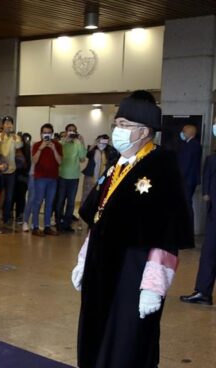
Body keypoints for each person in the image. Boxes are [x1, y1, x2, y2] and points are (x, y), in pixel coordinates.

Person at [72, 90, 194, 368]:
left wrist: (154, 286)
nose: (117, 130)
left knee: (127, 342)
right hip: (101, 267)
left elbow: (167, 232)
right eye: (117, 124)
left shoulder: (162, 165)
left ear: (145, 131)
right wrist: (83, 260)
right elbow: (98, 217)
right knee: (95, 337)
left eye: (125, 125)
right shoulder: (118, 164)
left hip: (134, 270)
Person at [180, 120, 216, 305]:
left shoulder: (197, 149)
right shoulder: (211, 158)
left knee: (209, 253)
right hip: (213, 215)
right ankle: (203, 292)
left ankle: (203, 291)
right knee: (209, 253)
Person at [30, 123, 62, 237]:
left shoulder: (57, 145)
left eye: (48, 132)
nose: (46, 134)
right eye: (44, 132)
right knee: (38, 202)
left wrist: (53, 149)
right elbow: (34, 161)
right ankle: (35, 227)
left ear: (52, 134)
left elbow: (60, 162)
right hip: (40, 178)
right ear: (41, 133)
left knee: (49, 203)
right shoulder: (37, 145)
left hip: (53, 178)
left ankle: (47, 226)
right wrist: (40, 148)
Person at [56, 124, 87, 232]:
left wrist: (82, 142)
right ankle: (58, 222)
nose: (71, 132)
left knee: (71, 202)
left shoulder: (77, 143)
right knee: (60, 201)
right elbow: (57, 153)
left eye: (73, 131)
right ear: (65, 132)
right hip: (62, 175)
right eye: (69, 130)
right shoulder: (61, 143)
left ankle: (67, 224)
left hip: (74, 177)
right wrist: (65, 140)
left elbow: (83, 158)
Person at [0, 115, 23, 226]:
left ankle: (6, 219)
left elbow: (19, 145)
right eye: (6, 123)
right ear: (2, 125)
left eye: (10, 123)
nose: (8, 125)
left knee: (9, 197)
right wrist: (2, 135)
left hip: (11, 171)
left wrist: (14, 137)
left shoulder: (15, 137)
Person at [80, 134, 118, 204]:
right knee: (86, 195)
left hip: (103, 177)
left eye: (104, 140)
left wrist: (110, 143)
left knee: (98, 197)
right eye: (100, 140)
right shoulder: (93, 149)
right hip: (90, 176)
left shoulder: (110, 150)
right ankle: (82, 213)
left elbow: (115, 159)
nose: (101, 143)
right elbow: (87, 154)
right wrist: (95, 143)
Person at [177, 123, 202, 224]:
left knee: (186, 205)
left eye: (184, 131)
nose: (182, 133)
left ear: (189, 133)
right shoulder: (192, 145)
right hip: (188, 180)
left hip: (186, 180)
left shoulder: (191, 145)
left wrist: (179, 178)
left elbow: (185, 164)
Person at [14, 132, 32, 225]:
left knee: (21, 196)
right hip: (14, 175)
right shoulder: (15, 149)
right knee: (14, 196)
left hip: (23, 176)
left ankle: (20, 215)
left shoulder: (28, 149)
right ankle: (16, 215)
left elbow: (28, 163)